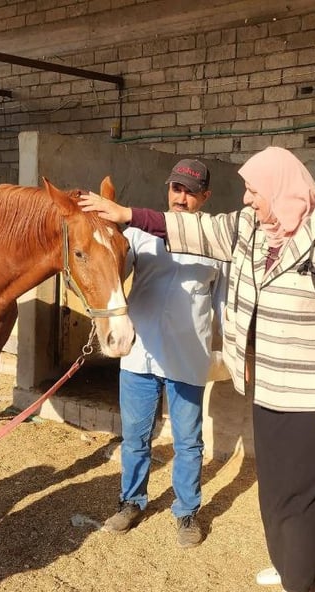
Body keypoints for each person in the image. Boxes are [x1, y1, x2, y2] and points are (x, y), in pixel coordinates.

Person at [81, 146, 315, 592]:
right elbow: (196, 231)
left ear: (280, 188)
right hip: (268, 381)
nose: (246, 199)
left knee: (304, 490)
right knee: (277, 485)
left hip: (313, 386)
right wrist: (126, 215)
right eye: (247, 190)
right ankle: (293, 566)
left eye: (253, 190)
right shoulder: (253, 229)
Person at [99, 159, 227, 550]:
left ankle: (187, 512)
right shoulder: (140, 234)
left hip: (188, 358)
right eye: (176, 189)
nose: (181, 198)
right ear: (168, 190)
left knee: (188, 442)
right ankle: (131, 502)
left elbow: (224, 305)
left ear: (205, 196)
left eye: (190, 192)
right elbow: (112, 274)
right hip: (140, 354)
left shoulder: (216, 242)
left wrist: (231, 352)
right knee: (136, 437)